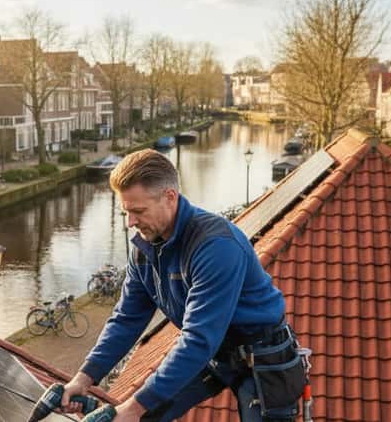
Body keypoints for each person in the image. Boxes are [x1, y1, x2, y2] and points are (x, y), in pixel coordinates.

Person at [61, 149, 306, 422]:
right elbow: (126, 319)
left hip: (262, 354)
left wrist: (132, 408)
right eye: (126, 212)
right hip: (214, 354)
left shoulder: (215, 247)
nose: (130, 223)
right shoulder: (144, 250)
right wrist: (83, 378)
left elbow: (199, 338)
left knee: (136, 410)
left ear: (170, 197)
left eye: (138, 211)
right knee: (145, 416)